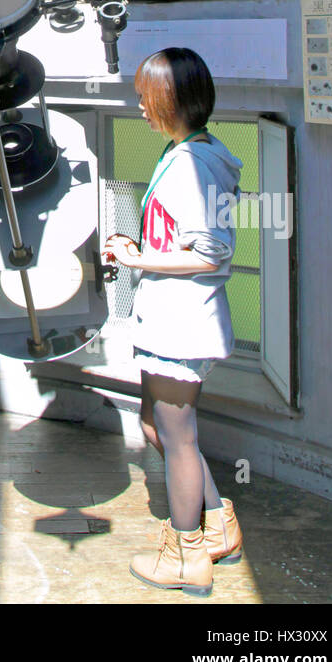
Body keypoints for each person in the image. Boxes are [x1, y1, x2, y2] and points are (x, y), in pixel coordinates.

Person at [103, 47, 244, 597]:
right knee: (158, 428)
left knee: (177, 436)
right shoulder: (192, 150)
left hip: (183, 322)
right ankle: (217, 527)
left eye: (145, 97)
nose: (139, 106)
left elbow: (213, 253)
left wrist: (137, 259)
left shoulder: (192, 164)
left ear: (171, 100)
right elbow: (182, 238)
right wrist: (138, 248)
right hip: (172, 318)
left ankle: (187, 556)